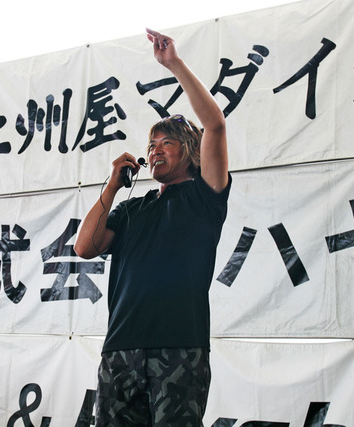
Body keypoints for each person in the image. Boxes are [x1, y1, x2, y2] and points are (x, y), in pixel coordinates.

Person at [74, 28, 231, 426]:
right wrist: (112, 185)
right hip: (119, 350)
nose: (155, 150)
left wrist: (173, 64)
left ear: (189, 152)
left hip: (179, 349)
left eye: (167, 143)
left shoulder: (204, 197)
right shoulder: (133, 208)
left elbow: (215, 125)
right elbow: (85, 247)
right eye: (151, 145)